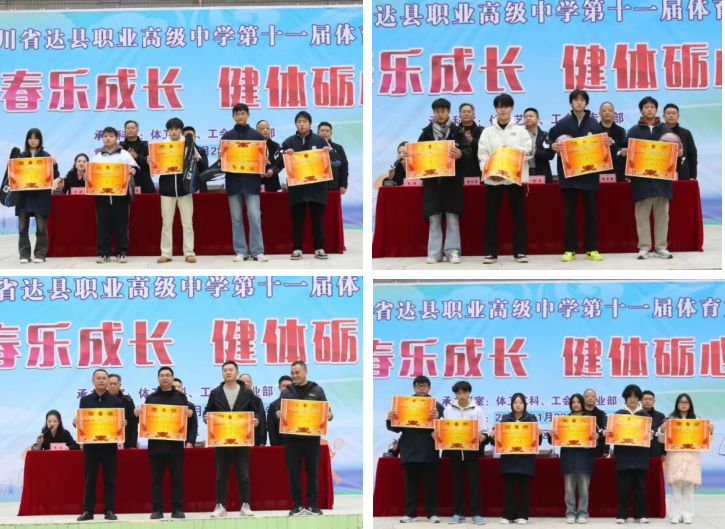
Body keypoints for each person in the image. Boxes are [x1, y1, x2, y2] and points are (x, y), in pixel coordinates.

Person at [548, 89, 613, 262]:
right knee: (569, 214)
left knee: (591, 213)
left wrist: (607, 143)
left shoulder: (594, 124)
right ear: (571, 103)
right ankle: (570, 249)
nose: (579, 102)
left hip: (589, 174)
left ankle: (591, 249)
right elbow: (549, 140)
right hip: (569, 175)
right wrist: (553, 146)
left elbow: (602, 146)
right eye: (576, 100)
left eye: (582, 100)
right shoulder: (562, 123)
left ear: (586, 103)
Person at [622, 96, 681, 260]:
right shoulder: (634, 131)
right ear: (641, 110)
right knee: (642, 217)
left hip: (662, 181)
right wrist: (624, 153)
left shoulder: (666, 130)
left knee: (662, 216)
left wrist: (678, 151)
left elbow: (676, 152)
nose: (649, 109)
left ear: (656, 110)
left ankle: (661, 247)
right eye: (646, 107)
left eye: (652, 107)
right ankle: (644, 248)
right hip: (641, 181)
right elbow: (625, 151)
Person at [478, 93, 533, 265]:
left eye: (506, 106)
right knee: (491, 217)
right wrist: (489, 172)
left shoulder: (521, 131)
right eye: (500, 106)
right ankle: (490, 253)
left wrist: (512, 150)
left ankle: (520, 252)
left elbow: (529, 152)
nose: (503, 110)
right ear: (495, 109)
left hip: (514, 179)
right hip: (493, 180)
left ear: (512, 108)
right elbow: (482, 155)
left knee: (519, 216)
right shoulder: (487, 132)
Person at [133, 366, 193, 519]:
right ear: (158, 378)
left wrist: (190, 415)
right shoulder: (151, 398)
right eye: (162, 375)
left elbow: (187, 422)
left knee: (177, 479)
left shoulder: (181, 398)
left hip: (175, 446)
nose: (165, 378)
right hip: (156, 446)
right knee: (156, 480)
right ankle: (157, 510)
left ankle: (177, 509)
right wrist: (137, 415)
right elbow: (145, 422)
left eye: (167, 375)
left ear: (172, 378)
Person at [275, 360, 334, 516]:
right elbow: (279, 411)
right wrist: (278, 414)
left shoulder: (317, 390)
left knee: (312, 472)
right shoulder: (286, 392)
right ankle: (297, 504)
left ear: (305, 372)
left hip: (311, 440)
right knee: (293, 473)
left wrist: (329, 415)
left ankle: (313, 504)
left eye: (297, 372)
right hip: (291, 440)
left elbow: (327, 411)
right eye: (292, 373)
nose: (295, 376)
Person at [418, 98, 472, 265]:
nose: (440, 114)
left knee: (452, 218)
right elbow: (418, 156)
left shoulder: (457, 132)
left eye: (443, 111)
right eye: (437, 111)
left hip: (451, 183)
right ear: (433, 113)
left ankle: (453, 251)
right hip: (432, 183)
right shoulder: (426, 133)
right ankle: (434, 253)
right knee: (434, 219)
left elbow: (469, 152)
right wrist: (410, 157)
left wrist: (461, 154)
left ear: (449, 112)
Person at [203, 360, 259, 518]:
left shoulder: (247, 392)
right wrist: (206, 418)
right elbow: (208, 410)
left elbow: (255, 411)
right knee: (221, 475)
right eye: (225, 370)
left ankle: (245, 504)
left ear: (237, 372)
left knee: (243, 475)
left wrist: (256, 419)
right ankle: (220, 505)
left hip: (241, 439)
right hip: (221, 440)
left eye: (231, 370)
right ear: (222, 373)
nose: (228, 372)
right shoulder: (216, 392)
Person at [386, 375, 445, 524]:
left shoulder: (437, 407)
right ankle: (410, 513)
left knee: (430, 485)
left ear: (429, 388)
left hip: (429, 451)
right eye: (418, 386)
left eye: (424, 386)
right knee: (410, 486)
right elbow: (395, 429)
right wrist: (389, 418)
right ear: (414, 388)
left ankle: (432, 513)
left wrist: (438, 418)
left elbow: (446, 430)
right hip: (409, 450)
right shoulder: (403, 405)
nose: (421, 388)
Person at [275, 111, 332, 260]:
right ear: (295, 124)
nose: (302, 124)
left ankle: (319, 248)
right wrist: (285, 155)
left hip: (316, 187)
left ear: (310, 124)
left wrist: (327, 153)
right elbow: (279, 162)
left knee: (318, 220)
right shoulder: (288, 142)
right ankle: (297, 248)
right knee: (297, 220)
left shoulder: (320, 141)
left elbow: (329, 163)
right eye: (299, 122)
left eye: (305, 121)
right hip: (297, 188)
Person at [219, 104, 269, 262]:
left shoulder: (256, 136)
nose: (240, 116)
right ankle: (241, 251)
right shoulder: (227, 137)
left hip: (252, 182)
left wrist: (263, 162)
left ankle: (257, 251)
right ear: (233, 116)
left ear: (248, 115)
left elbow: (262, 158)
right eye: (237, 113)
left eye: (243, 113)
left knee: (255, 217)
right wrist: (222, 158)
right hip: (233, 181)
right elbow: (222, 164)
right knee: (236, 218)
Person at [73, 368, 124, 521]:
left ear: (108, 381)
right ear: (93, 381)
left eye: (104, 378)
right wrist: (76, 423)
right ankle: (88, 511)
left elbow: (119, 423)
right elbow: (82, 422)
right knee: (90, 480)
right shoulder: (85, 400)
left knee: (109, 480)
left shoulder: (116, 401)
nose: (101, 381)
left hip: (109, 447)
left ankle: (109, 510)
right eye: (98, 378)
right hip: (91, 447)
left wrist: (122, 424)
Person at [656, 393, 714, 524]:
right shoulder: (670, 420)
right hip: (675, 456)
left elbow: (705, 441)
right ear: (677, 404)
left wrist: (709, 432)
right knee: (676, 486)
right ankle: (675, 515)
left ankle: (687, 514)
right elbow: (661, 440)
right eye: (681, 402)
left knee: (688, 487)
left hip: (691, 457)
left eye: (686, 402)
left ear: (690, 405)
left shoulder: (697, 420)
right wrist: (663, 430)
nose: (683, 404)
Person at [436, 381, 487, 525]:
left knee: (474, 484)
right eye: (459, 393)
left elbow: (484, 432)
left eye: (465, 392)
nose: (462, 396)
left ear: (469, 393)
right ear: (455, 394)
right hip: (454, 453)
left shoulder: (477, 410)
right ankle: (458, 513)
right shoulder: (448, 410)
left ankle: (476, 514)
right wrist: (438, 435)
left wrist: (482, 437)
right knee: (457, 484)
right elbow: (443, 431)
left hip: (472, 454)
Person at [602, 384, 651, 524]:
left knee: (640, 487)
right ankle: (622, 515)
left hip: (640, 456)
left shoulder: (645, 416)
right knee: (623, 488)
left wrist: (651, 434)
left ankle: (641, 515)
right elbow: (611, 435)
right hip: (623, 456)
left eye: (635, 397)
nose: (633, 399)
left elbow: (651, 436)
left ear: (639, 398)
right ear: (625, 398)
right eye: (630, 396)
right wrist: (607, 433)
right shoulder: (617, 415)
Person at [491, 392, 542, 525]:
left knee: (524, 489)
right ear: (511, 404)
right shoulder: (505, 420)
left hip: (525, 459)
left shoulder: (531, 419)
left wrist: (539, 435)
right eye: (515, 402)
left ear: (525, 404)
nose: (518, 405)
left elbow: (538, 443)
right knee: (509, 489)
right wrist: (493, 436)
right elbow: (496, 442)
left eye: (520, 402)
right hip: (509, 459)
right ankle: (507, 515)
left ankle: (523, 515)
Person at [90, 126, 138, 264]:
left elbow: (134, 167)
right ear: (102, 138)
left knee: (121, 224)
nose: (108, 138)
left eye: (111, 136)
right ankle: (103, 253)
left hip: (121, 197)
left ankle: (121, 252)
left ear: (116, 138)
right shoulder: (97, 157)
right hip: (102, 197)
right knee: (103, 225)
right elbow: (92, 174)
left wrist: (132, 171)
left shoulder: (124, 154)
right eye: (105, 136)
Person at [548, 393, 598, 524]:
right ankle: (570, 513)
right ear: (570, 404)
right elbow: (554, 441)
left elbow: (597, 440)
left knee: (584, 490)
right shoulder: (563, 421)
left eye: (578, 402)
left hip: (585, 459)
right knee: (569, 490)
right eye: (573, 402)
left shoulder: (590, 420)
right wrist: (552, 435)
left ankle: (582, 513)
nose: (576, 404)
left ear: (582, 404)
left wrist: (596, 437)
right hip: (568, 458)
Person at [152, 117, 197, 264]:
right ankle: (166, 253)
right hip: (167, 190)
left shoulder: (189, 145)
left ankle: (189, 253)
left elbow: (199, 164)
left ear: (181, 130)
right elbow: (154, 169)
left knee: (187, 224)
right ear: (167, 131)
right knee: (166, 224)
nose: (173, 132)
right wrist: (152, 163)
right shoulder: (161, 146)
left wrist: (196, 158)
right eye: (171, 129)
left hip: (185, 189)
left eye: (176, 129)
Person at [15, 128, 59, 263]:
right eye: (30, 138)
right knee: (23, 228)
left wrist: (54, 165)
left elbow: (54, 176)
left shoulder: (46, 156)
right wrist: (10, 167)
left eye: (36, 138)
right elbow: (14, 177)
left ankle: (40, 254)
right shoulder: (20, 157)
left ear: (40, 140)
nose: (33, 140)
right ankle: (24, 254)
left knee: (41, 227)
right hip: (23, 197)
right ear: (27, 140)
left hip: (40, 197)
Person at [663, 104, 698, 181]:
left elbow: (692, 155)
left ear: (678, 116)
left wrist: (692, 176)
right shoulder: (657, 132)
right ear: (664, 116)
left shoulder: (686, 133)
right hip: (662, 174)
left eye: (674, 113)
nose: (671, 115)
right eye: (668, 113)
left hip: (682, 173)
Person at [120, 120, 155, 193]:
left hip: (145, 182)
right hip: (125, 183)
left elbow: (151, 165)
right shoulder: (120, 147)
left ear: (137, 130)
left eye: (133, 128)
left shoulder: (145, 145)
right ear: (125, 131)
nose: (130, 130)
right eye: (128, 128)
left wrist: (137, 157)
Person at [523, 108, 555, 183]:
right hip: (524, 173)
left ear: (538, 119)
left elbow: (550, 155)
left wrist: (536, 152)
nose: (528, 118)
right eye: (525, 117)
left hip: (541, 173)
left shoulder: (546, 136)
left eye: (531, 116)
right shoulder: (520, 136)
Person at [107, 373, 139, 449]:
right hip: (106, 441)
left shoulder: (127, 400)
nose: (112, 386)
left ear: (119, 385)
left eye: (115, 384)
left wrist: (133, 444)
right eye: (110, 384)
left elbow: (133, 424)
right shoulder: (101, 400)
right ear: (107, 385)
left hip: (125, 441)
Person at [598, 102, 627, 182]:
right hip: (598, 172)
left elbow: (623, 150)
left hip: (617, 172)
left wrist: (622, 152)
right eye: (604, 110)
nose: (607, 112)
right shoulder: (594, 130)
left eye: (610, 110)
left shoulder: (621, 131)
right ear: (599, 114)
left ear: (614, 113)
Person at [317, 122, 348, 194]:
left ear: (331, 133)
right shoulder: (312, 148)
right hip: (315, 189)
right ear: (317, 133)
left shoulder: (338, 148)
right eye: (322, 131)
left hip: (334, 187)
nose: (325, 133)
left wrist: (343, 185)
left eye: (327, 131)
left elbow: (344, 167)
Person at [239, 373, 266, 446]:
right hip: (238, 437)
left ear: (251, 384)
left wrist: (262, 440)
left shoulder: (257, 400)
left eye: (248, 382)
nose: (246, 383)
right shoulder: (234, 399)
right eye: (243, 382)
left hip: (255, 437)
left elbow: (262, 421)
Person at [458, 103, 484, 178]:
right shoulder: (454, 131)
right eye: (464, 112)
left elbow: (484, 148)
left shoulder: (481, 130)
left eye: (469, 112)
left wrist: (471, 140)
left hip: (476, 169)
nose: (466, 114)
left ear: (473, 115)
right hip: (459, 170)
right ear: (459, 115)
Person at [256, 120, 282, 192]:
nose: (265, 130)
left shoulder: (276, 146)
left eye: (267, 128)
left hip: (272, 183)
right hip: (255, 183)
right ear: (256, 131)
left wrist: (273, 170)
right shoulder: (252, 146)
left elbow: (280, 163)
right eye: (262, 129)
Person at [267, 375, 293, 446]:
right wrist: (274, 445)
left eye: (289, 386)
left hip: (296, 442)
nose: (287, 388)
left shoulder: (298, 403)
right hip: (280, 442)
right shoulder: (274, 405)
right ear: (279, 388)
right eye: (284, 386)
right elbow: (271, 427)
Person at [582, 389, 609, 457]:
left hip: (597, 450)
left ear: (596, 398)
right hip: (581, 450)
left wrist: (606, 450)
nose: (590, 398)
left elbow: (606, 432)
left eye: (593, 396)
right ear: (583, 399)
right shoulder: (579, 414)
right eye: (587, 396)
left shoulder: (601, 414)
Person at [182, 126, 210, 192]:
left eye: (191, 136)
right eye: (186, 136)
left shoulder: (201, 151)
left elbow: (205, 169)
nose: (188, 138)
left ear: (195, 137)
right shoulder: (179, 151)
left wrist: (199, 161)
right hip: (183, 187)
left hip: (199, 186)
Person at [173, 378, 198, 448]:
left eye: (179, 386)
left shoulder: (189, 405)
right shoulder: (165, 405)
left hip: (184, 442)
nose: (177, 389)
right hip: (168, 441)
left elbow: (194, 425)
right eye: (174, 387)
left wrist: (190, 441)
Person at [642, 390, 666, 458]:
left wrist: (663, 452)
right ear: (641, 400)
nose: (647, 401)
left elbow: (663, 435)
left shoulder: (661, 416)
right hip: (640, 451)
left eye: (650, 399)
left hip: (655, 451)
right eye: (645, 399)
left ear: (654, 401)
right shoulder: (637, 416)